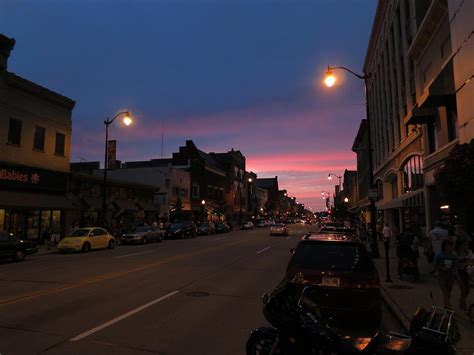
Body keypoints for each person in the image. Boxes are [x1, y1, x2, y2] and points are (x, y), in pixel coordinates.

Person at [433, 240, 458, 309]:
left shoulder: (453, 256)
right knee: (445, 291)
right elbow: (435, 264)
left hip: (450, 275)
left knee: (448, 291)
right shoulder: (439, 255)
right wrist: (441, 268)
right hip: (441, 275)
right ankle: (448, 306)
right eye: (448, 246)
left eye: (450, 246)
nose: (450, 247)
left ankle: (446, 305)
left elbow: (456, 265)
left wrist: (453, 271)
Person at [454, 239, 473, 311]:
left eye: (468, 245)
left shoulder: (469, 252)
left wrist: (467, 263)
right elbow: (455, 265)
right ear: (461, 245)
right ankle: (463, 303)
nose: (467, 246)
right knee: (463, 288)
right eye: (465, 244)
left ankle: (462, 301)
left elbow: (470, 261)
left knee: (467, 289)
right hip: (459, 272)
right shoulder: (455, 253)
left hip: (467, 271)